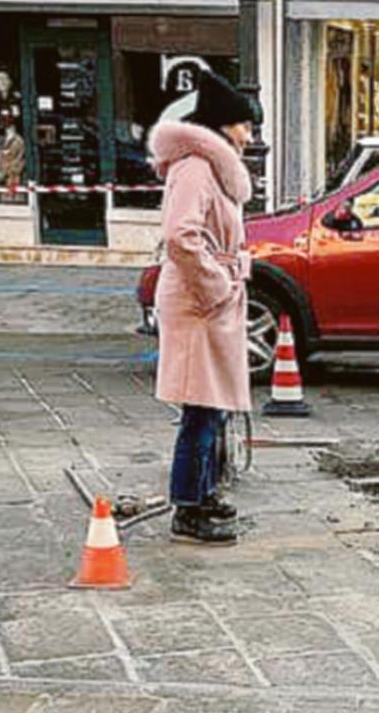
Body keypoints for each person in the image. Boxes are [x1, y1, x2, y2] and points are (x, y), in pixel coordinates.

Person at [150, 69, 260, 545]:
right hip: (199, 303)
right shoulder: (196, 167)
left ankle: (205, 491)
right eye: (244, 125)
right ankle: (188, 507)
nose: (249, 136)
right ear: (221, 124)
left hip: (210, 300)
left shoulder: (212, 167)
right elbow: (180, 235)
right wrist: (216, 285)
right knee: (201, 406)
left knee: (213, 406)